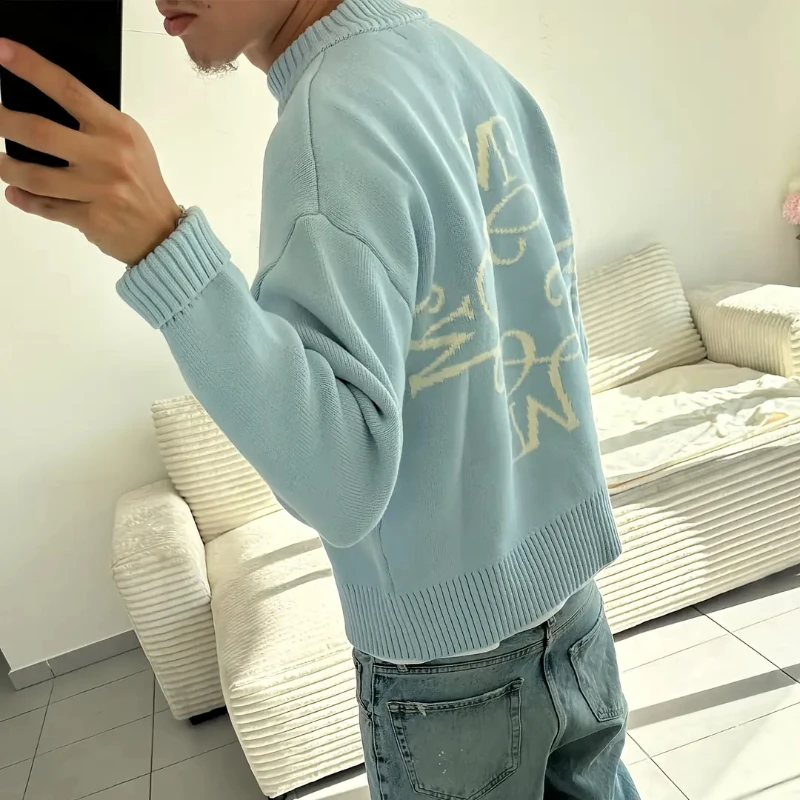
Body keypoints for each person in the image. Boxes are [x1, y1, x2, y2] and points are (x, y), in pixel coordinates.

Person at [0, 1, 640, 797]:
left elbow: (342, 487)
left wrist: (163, 246)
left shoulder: (327, 122)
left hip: (451, 670)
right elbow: (545, 318)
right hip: (575, 613)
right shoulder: (464, 63)